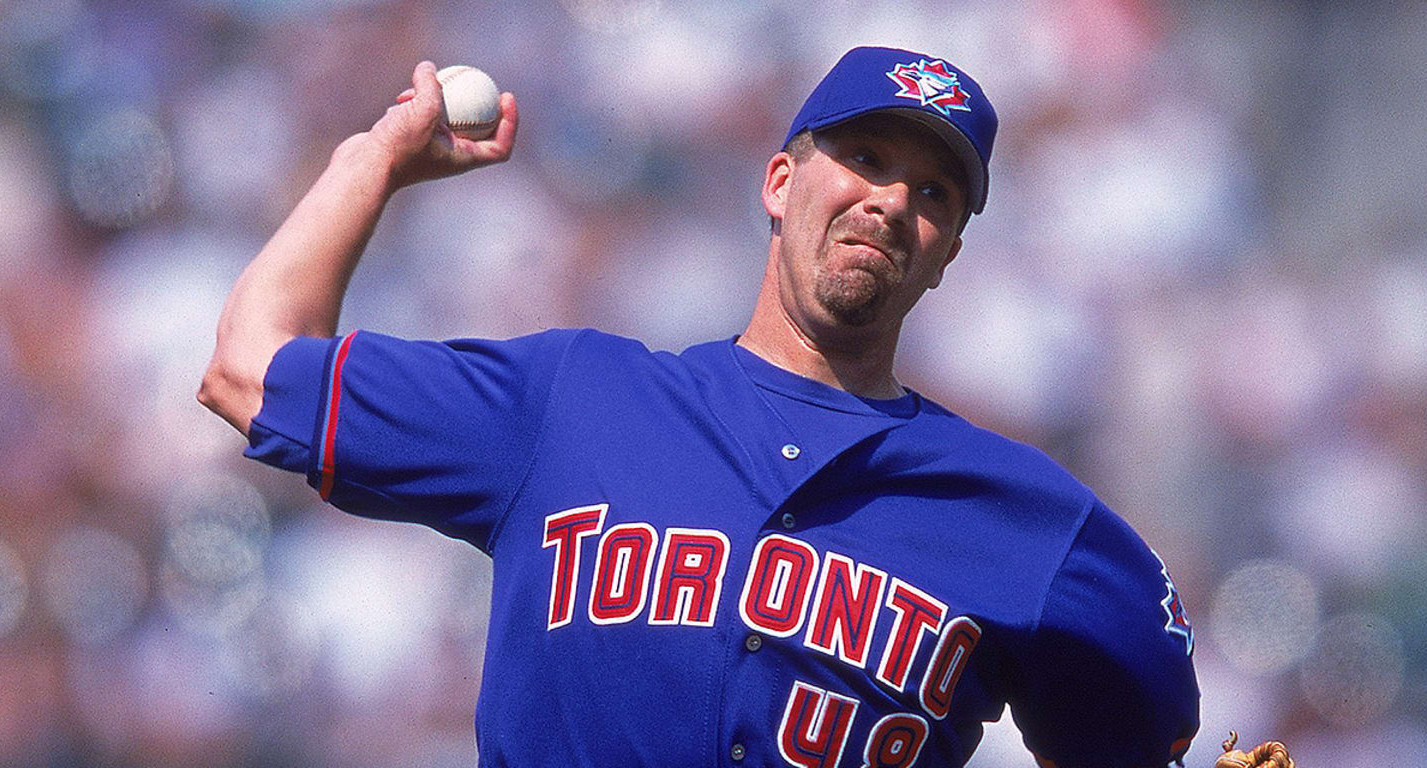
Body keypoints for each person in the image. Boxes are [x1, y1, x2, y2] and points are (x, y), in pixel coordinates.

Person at [199, 46, 1199, 768]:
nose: (893, 201)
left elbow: (1143, 736)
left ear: (948, 253)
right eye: (865, 159)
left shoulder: (1025, 518)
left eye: (935, 192)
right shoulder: (571, 402)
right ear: (778, 183)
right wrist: (370, 163)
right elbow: (250, 370)